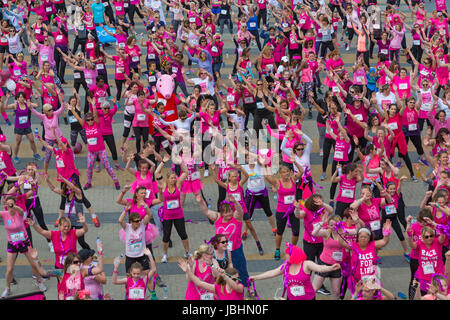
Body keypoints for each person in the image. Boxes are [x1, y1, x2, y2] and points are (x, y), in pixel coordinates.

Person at [249, 243, 341, 300]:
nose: (285, 257)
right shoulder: (286, 265)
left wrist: (331, 268)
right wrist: (256, 277)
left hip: (307, 298)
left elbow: (320, 268)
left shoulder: (306, 264)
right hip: (291, 298)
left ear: (293, 256)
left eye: (287, 255)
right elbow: (272, 272)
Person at [1, 196, 48, 298]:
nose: (10, 207)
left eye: (12, 204)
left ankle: (39, 281)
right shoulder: (4, 214)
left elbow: (21, 210)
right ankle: (8, 288)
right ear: (5, 206)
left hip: (24, 242)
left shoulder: (20, 214)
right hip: (12, 244)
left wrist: (14, 206)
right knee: (9, 269)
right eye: (8, 205)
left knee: (33, 263)